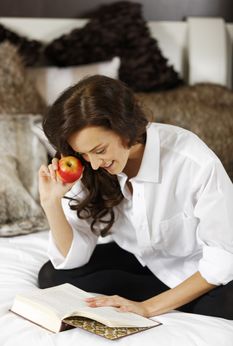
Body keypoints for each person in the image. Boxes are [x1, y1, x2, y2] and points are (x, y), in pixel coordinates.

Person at [38, 75, 233, 320]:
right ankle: (160, 301)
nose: (95, 164)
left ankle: (161, 302)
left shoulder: (194, 162)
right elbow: (73, 258)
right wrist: (51, 203)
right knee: (52, 277)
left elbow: (224, 259)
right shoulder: (89, 167)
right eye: (84, 154)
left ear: (125, 127)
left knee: (226, 304)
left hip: (197, 270)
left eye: (100, 150)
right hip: (144, 261)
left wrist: (148, 308)